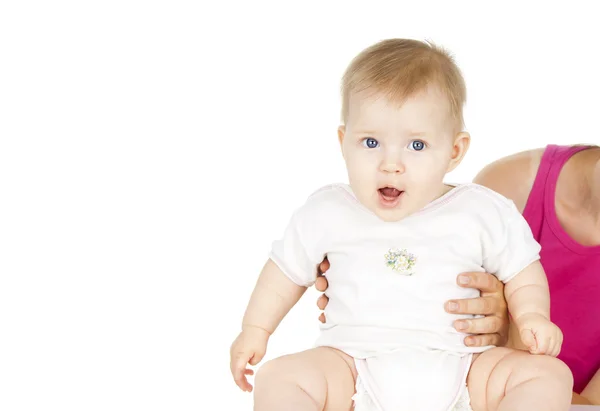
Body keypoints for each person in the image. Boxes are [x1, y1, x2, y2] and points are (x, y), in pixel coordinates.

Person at [229, 38, 573, 411]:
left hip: (466, 368)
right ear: (344, 142)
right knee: (278, 378)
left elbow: (524, 271)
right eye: (371, 141)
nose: (391, 163)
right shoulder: (328, 210)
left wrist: (533, 316)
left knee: (549, 375)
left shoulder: (482, 210)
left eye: (417, 145)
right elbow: (283, 273)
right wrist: (256, 330)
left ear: (454, 151)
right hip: (352, 368)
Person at [316, 143, 600, 405]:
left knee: (550, 375)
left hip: (492, 387)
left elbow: (588, 406)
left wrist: (509, 335)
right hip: (388, 369)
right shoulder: (508, 189)